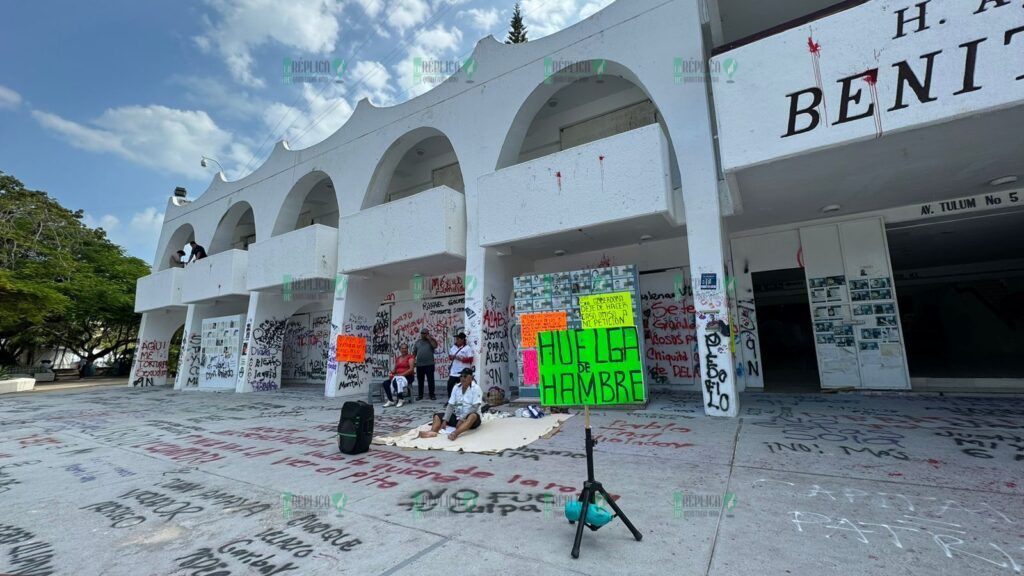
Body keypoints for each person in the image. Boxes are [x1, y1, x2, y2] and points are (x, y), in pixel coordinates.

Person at [419, 368, 482, 441]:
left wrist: (462, 419)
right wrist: (445, 420)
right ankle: (433, 432)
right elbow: (451, 405)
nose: (462, 378)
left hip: (469, 418)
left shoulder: (476, 388)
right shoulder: (456, 387)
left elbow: (475, 407)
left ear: (471, 378)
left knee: (473, 416)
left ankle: (455, 433)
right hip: (458, 416)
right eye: (461, 376)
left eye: (465, 376)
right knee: (437, 416)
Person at [382, 342, 415, 407]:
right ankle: (390, 400)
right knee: (385, 383)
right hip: (398, 377)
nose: (404, 350)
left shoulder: (410, 357)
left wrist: (401, 375)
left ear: (407, 349)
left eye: (405, 348)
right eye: (402, 348)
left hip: (408, 377)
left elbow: (411, 369)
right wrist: (391, 373)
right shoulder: (398, 358)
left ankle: (401, 399)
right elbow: (395, 369)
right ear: (400, 349)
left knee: (396, 381)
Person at [413, 328, 438, 401]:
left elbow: (435, 346)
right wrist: (413, 359)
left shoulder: (431, 341)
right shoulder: (418, 342)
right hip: (420, 365)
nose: (423, 334)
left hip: (429, 364)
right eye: (422, 333)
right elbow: (414, 352)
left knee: (431, 381)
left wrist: (430, 339)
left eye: (425, 333)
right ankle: (420, 395)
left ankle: (432, 395)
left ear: (427, 334)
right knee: (420, 381)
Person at [446, 332, 474, 399]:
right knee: (450, 386)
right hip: (454, 371)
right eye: (456, 339)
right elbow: (450, 357)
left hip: (463, 372)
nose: (457, 340)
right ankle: (450, 400)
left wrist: (461, 359)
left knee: (463, 387)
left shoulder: (467, 348)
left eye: (458, 339)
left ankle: (463, 400)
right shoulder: (454, 347)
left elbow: (470, 359)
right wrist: (452, 357)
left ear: (462, 340)